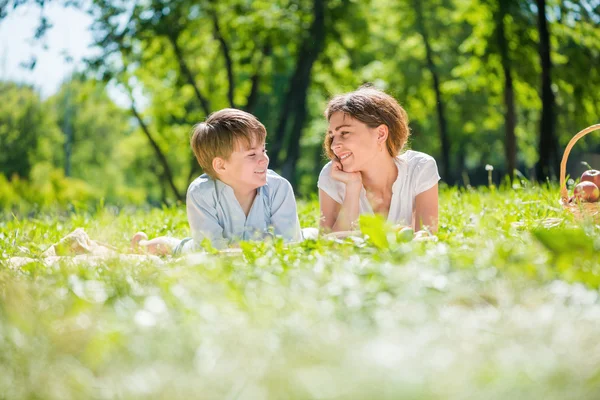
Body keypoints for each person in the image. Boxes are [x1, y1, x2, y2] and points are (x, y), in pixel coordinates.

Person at [133, 108, 302, 255]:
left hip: (253, 250)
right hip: (199, 251)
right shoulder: (201, 193)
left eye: (263, 149)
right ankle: (141, 244)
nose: (264, 159)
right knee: (171, 247)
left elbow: (290, 244)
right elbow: (213, 253)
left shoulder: (279, 187)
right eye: (252, 154)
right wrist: (253, 249)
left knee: (309, 235)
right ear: (221, 165)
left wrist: (247, 249)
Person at [318, 86, 440, 234]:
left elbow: (427, 241)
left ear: (381, 134)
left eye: (344, 133)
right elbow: (329, 248)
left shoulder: (419, 168)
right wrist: (352, 187)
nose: (334, 145)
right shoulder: (332, 177)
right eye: (332, 135)